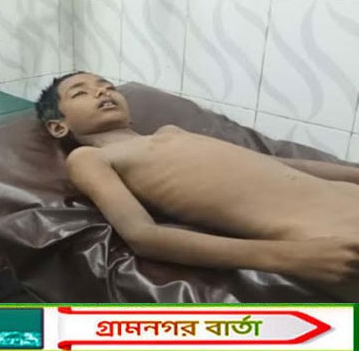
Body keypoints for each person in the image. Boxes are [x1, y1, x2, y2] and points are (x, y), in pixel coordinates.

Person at [35, 71, 359, 301]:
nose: (102, 92)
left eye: (107, 86)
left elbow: (279, 165)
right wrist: (290, 257)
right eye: (80, 92)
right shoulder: (91, 158)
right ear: (58, 126)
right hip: (331, 235)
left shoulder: (171, 132)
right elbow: (143, 236)